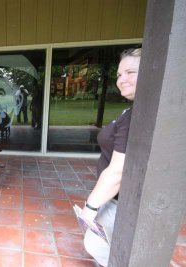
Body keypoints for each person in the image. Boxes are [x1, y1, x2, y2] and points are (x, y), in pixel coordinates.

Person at [81, 48, 141, 267]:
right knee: (104, 243)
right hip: (116, 197)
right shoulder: (133, 111)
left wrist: (91, 207)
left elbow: (118, 170)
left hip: (121, 198)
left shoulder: (136, 116)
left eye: (130, 72)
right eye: (119, 74)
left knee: (96, 243)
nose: (122, 79)